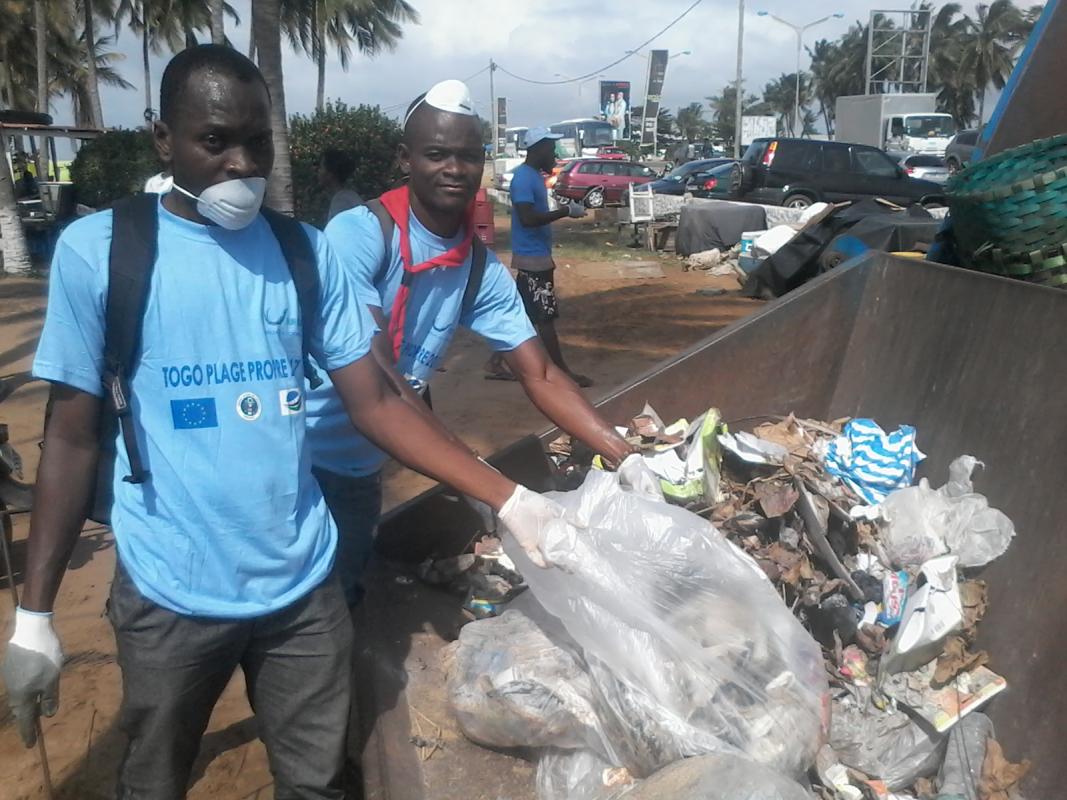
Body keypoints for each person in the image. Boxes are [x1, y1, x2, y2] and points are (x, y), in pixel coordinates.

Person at [0, 47, 560, 799]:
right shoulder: (103, 251)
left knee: (318, 781)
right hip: (171, 593)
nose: (241, 164)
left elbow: (379, 401)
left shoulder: (304, 254)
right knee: (154, 776)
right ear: (163, 137)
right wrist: (34, 618)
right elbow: (69, 437)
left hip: (302, 594)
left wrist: (509, 499)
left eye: (257, 143)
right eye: (215, 141)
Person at [307, 80, 634, 608]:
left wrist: (624, 453)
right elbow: (381, 375)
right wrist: (499, 492)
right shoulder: (361, 235)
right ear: (406, 158)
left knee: (341, 596)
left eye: (467, 155)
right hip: (303, 454)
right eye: (437, 154)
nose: (453, 169)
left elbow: (542, 373)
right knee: (301, 616)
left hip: (361, 465)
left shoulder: (477, 265)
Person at [485, 126, 591, 386]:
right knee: (544, 317)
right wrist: (565, 211)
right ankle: (562, 372)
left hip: (535, 255)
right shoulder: (524, 178)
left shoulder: (531, 176)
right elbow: (528, 218)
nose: (554, 153)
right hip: (533, 258)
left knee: (524, 314)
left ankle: (495, 362)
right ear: (538, 149)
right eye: (550, 148)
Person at [319, 148, 364, 222]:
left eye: (321, 168)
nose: (319, 172)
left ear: (330, 174)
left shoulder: (341, 201)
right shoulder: (350, 195)